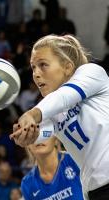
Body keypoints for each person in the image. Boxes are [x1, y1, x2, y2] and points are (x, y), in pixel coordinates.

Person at [9, 34, 109, 200]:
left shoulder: (91, 72)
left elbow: (64, 97)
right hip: (96, 192)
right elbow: (42, 133)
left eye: (43, 65)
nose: (36, 74)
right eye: (33, 67)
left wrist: (32, 114)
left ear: (67, 67)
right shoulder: (51, 109)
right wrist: (25, 136)